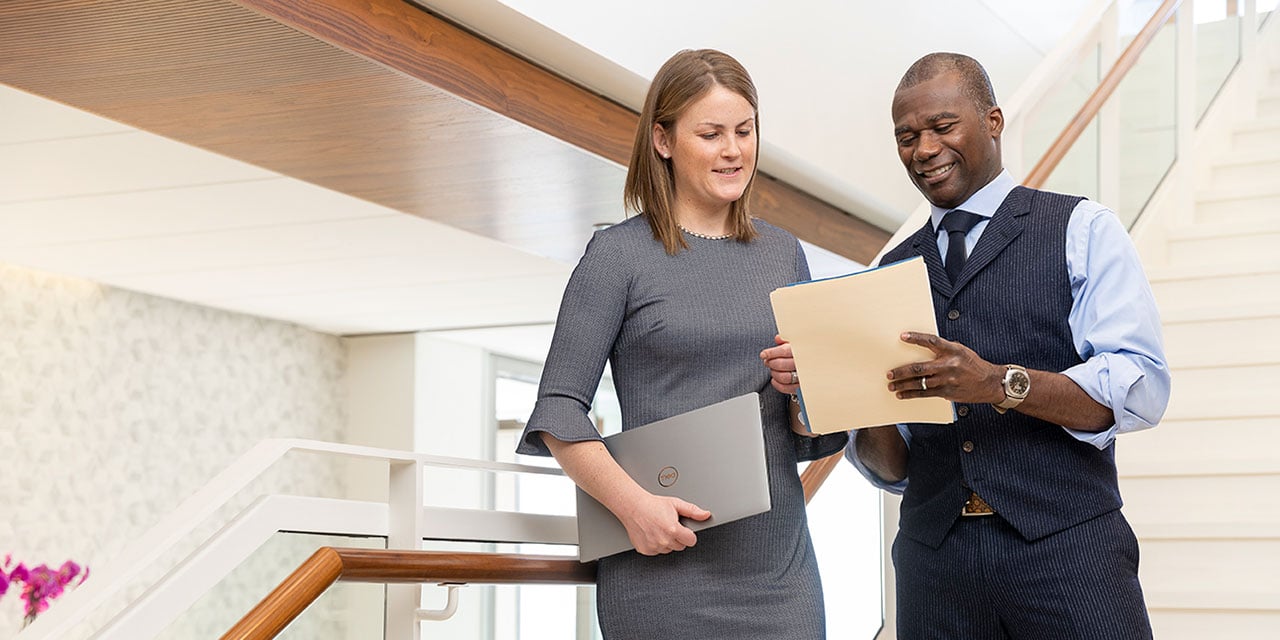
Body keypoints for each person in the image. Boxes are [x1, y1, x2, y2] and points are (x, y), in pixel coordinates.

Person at [762, 52, 1169, 639]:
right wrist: (835, 388)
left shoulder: (1082, 230)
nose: (923, 149)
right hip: (935, 568)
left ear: (994, 122)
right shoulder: (889, 272)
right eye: (906, 136)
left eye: (942, 127)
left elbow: (1139, 390)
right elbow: (891, 466)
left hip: (1069, 554)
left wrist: (999, 384)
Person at [517, 49, 847, 639]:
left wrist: (802, 388)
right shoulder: (618, 256)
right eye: (711, 133)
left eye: (745, 132)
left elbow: (811, 426)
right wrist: (631, 506)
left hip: (779, 573)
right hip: (660, 568)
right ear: (664, 140)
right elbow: (559, 409)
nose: (733, 150)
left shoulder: (783, 253)